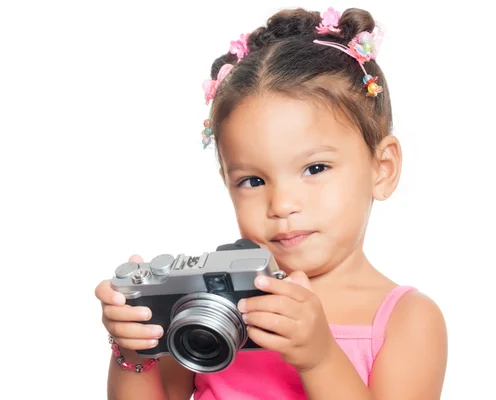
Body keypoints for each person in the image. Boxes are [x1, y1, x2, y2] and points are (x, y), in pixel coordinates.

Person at [95, 6, 448, 400]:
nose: (281, 204)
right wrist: (133, 352)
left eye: (315, 168)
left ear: (381, 168)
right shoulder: (213, 305)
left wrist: (320, 360)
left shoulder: (407, 320)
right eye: (252, 180)